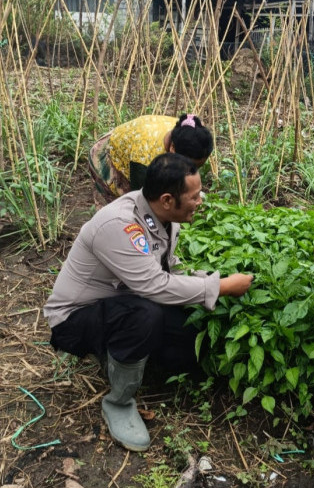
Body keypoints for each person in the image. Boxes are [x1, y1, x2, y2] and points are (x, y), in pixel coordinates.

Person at [44, 153, 253, 452]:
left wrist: (203, 279)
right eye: (194, 197)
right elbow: (154, 286)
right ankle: (118, 401)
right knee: (146, 315)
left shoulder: (163, 217)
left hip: (121, 302)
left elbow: (166, 269)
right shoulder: (120, 225)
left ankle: (122, 356)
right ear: (167, 199)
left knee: (188, 340)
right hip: (75, 319)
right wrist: (220, 287)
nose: (200, 202)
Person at [89, 113, 214, 202]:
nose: (192, 171)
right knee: (121, 210)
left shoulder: (189, 130)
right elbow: (143, 199)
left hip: (131, 140)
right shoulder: (144, 157)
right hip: (106, 155)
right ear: (172, 148)